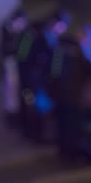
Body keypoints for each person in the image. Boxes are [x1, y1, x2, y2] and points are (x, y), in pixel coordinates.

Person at [50, 23, 91, 160]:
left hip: (60, 93)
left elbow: (53, 70)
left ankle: (63, 151)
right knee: (74, 126)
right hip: (75, 97)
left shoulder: (61, 47)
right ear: (86, 38)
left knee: (62, 124)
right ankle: (73, 155)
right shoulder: (86, 53)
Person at [17, 10, 72, 143]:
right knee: (36, 108)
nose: (62, 30)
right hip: (35, 81)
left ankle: (39, 134)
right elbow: (25, 59)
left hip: (43, 80)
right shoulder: (35, 36)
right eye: (61, 26)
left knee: (42, 108)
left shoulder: (52, 38)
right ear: (54, 23)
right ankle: (35, 136)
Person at [0, 9, 29, 129]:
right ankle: (11, 116)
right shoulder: (7, 30)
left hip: (16, 65)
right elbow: (7, 49)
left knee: (15, 91)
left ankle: (15, 114)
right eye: (20, 23)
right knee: (10, 91)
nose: (22, 26)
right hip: (9, 65)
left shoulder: (22, 32)